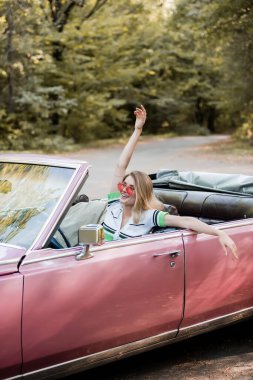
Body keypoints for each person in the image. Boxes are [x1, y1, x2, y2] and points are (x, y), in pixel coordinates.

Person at [102, 105, 238, 259]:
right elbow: (121, 166)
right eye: (123, 185)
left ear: (141, 194)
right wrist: (137, 130)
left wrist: (219, 232)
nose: (123, 190)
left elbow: (186, 221)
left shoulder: (149, 216)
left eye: (131, 188)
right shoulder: (113, 204)